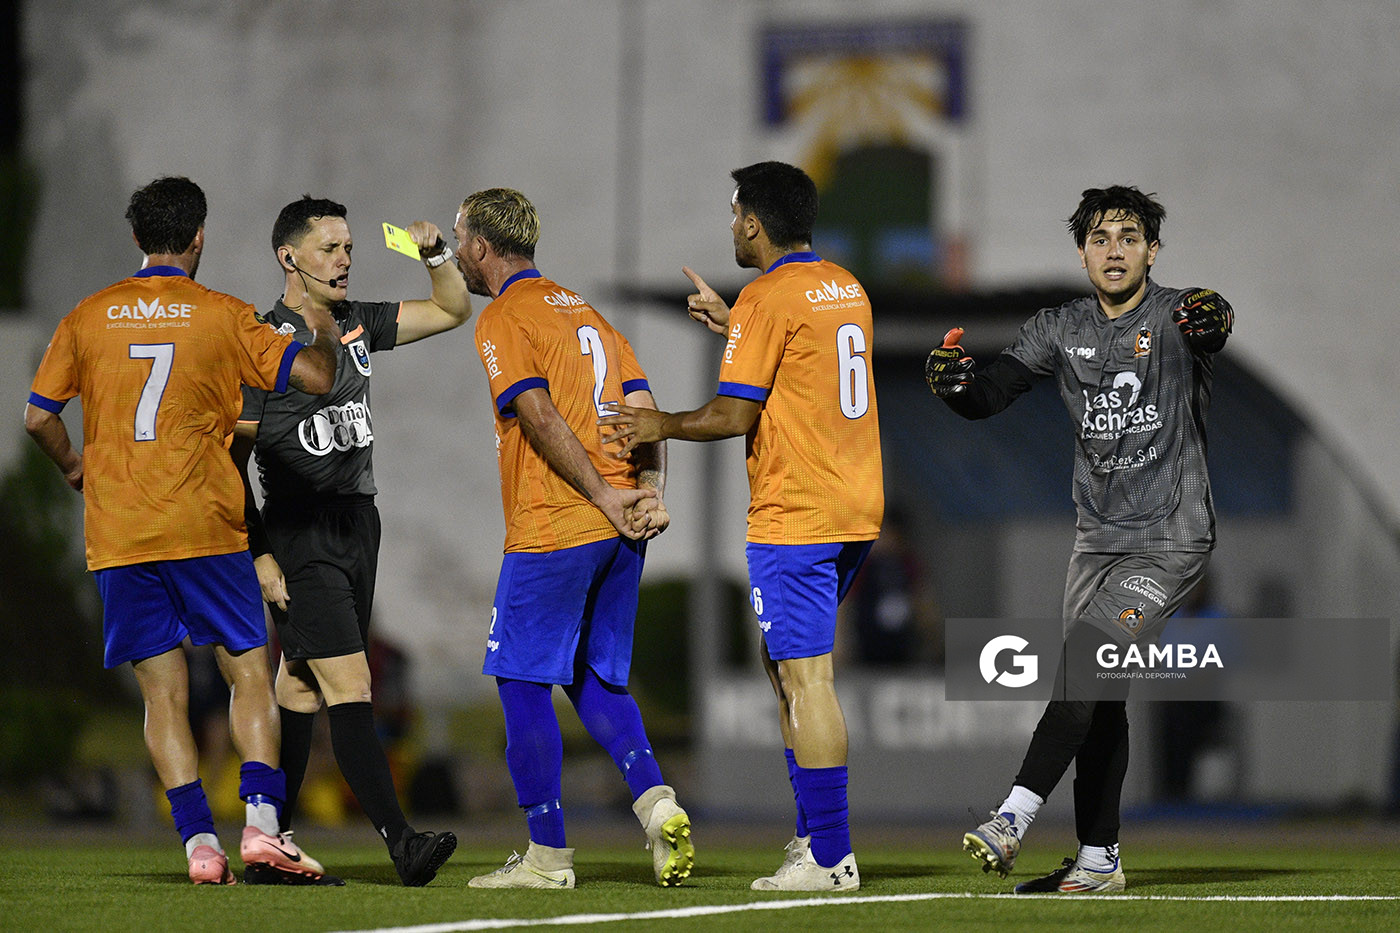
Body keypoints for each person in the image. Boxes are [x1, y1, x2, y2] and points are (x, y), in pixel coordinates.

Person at [24, 176, 340, 885]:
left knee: (162, 694)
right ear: (199, 237)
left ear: (137, 239)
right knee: (248, 673)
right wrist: (317, 317)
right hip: (205, 523)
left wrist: (75, 468)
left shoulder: (87, 316)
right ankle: (261, 827)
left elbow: (39, 416)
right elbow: (317, 377)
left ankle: (200, 843)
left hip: (121, 531)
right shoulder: (222, 315)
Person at [925, 185, 1233, 893]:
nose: (1114, 249)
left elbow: (1212, 324)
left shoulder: (1180, 314)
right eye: (1100, 237)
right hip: (1094, 543)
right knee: (1100, 695)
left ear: (1153, 251)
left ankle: (1011, 818)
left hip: (1171, 539)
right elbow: (991, 393)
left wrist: (1213, 318)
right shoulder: (1057, 326)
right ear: (1082, 251)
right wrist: (955, 386)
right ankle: (1099, 859)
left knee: (1084, 669)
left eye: (1129, 237)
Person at [600, 161, 883, 892]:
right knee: (783, 668)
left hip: (799, 511)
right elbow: (808, 367)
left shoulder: (768, 296)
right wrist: (738, 325)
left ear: (754, 222)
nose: (730, 226)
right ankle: (815, 839)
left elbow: (734, 415)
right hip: (856, 505)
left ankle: (831, 855)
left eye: (733, 214)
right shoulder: (842, 285)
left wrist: (655, 423)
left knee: (805, 675)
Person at [452, 187, 692, 891]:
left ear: (481, 247)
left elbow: (535, 413)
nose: (458, 250)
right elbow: (644, 411)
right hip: (621, 530)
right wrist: (648, 496)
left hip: (559, 521)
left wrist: (603, 496)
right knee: (594, 676)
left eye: (460, 237)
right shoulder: (587, 313)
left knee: (521, 681)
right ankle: (656, 802)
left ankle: (547, 856)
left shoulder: (503, 317)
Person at [231, 194, 470, 886]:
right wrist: (260, 552)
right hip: (299, 529)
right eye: (329, 248)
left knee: (301, 686)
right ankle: (402, 841)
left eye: (349, 248)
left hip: (358, 524)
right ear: (289, 258)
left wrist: (436, 256)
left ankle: (270, 839)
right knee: (351, 680)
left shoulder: (356, 321)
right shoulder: (261, 341)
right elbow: (231, 461)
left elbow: (453, 309)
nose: (345, 259)